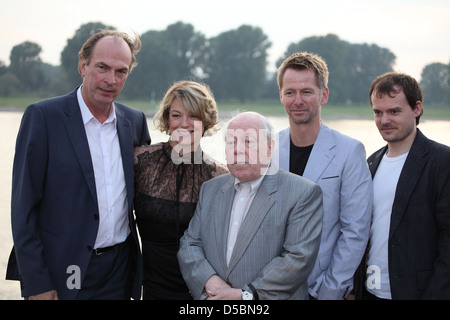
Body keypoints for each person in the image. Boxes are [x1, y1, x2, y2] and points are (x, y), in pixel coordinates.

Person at [6, 30, 151, 300]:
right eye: (102, 67)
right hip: (62, 269)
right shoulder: (43, 118)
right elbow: (23, 208)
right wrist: (36, 283)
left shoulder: (135, 122)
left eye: (121, 71)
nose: (111, 80)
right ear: (83, 66)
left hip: (118, 271)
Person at [177, 111, 323, 300]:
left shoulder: (303, 193)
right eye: (231, 142)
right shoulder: (210, 189)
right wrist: (210, 281)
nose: (237, 149)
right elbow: (190, 243)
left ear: (270, 148)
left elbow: (297, 258)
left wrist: (246, 295)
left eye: (248, 141)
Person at [275, 52, 373, 300]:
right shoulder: (268, 149)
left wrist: (332, 291)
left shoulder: (350, 151)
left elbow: (355, 230)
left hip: (322, 287)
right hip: (269, 287)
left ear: (324, 95)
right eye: (290, 92)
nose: (298, 100)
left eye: (307, 91)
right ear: (281, 96)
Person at [353, 72, 450, 300]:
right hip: (368, 292)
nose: (384, 120)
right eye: (378, 112)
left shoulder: (442, 162)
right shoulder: (371, 162)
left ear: (416, 109)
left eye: (394, 111)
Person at [133, 80, 228, 300]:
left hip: (201, 291)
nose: (184, 124)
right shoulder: (139, 162)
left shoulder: (220, 177)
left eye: (193, 116)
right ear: (167, 119)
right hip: (149, 288)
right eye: (176, 115)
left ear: (205, 121)